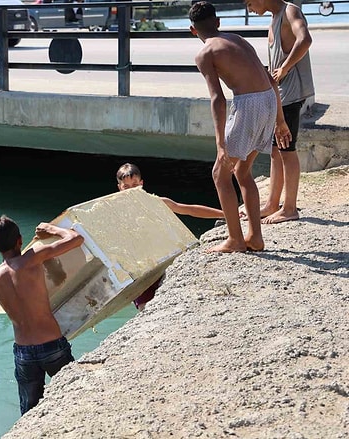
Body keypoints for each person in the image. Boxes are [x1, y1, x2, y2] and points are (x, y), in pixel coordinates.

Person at [189, 1, 291, 253]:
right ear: (218, 22)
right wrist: (280, 119)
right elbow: (269, 78)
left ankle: (235, 240)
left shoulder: (205, 53)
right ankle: (255, 237)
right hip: (268, 98)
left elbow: (218, 99)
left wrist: (220, 144)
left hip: (249, 104)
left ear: (193, 31)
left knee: (219, 173)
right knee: (242, 171)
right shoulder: (237, 39)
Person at [0, 215, 84, 415]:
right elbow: (76, 239)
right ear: (20, 240)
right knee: (75, 396)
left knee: (30, 410)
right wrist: (52, 230)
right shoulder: (33, 257)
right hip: (52, 345)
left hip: (24, 353)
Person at [242, 0, 315, 224]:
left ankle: (290, 208)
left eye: (249, 2)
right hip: (279, 94)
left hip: (292, 93)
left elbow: (305, 39)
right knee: (276, 150)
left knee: (287, 149)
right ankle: (273, 204)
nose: (248, 8)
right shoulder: (274, 18)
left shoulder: (290, 11)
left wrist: (285, 67)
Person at [116, 162, 225, 310]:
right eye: (126, 187)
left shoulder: (156, 202)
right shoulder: (115, 212)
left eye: (134, 185)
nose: (131, 190)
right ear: (119, 188)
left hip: (163, 261)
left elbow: (187, 209)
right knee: (144, 308)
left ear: (141, 184)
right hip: (139, 269)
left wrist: (226, 214)